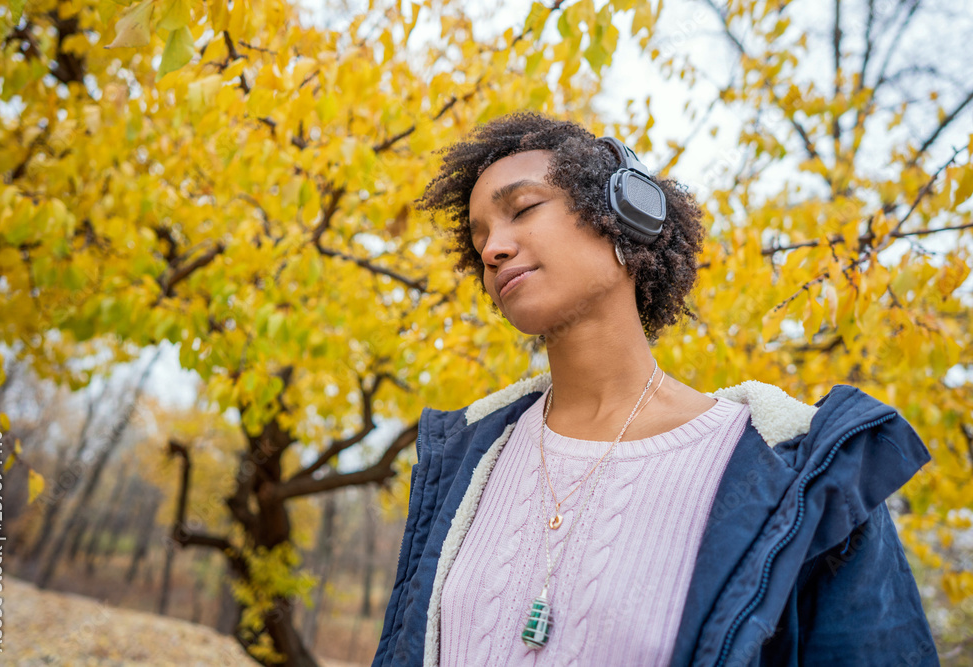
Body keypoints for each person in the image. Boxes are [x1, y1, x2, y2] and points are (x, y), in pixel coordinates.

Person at [372, 112, 938, 666]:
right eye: (480, 240)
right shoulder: (464, 461)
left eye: (522, 209)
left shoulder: (801, 473)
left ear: (625, 216)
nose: (494, 248)